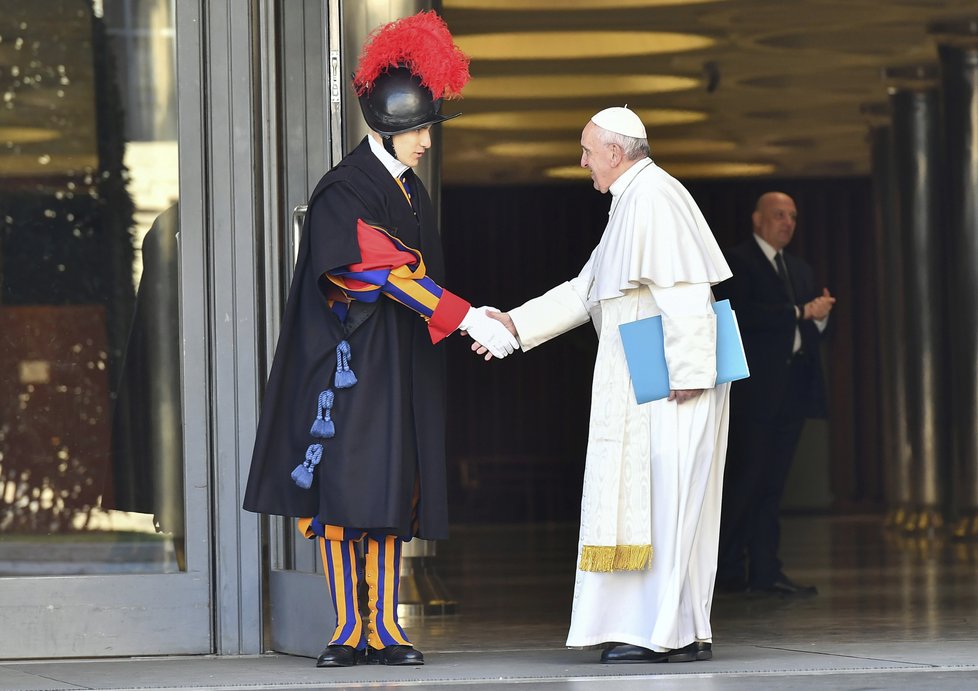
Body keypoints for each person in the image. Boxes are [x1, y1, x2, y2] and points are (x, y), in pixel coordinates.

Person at [242, 11, 517, 669]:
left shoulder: (409, 190)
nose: (427, 141)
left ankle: (386, 627)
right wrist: (467, 314)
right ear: (390, 128)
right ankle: (347, 628)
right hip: (348, 369)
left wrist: (464, 318)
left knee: (395, 492)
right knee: (345, 492)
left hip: (400, 367)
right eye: (420, 129)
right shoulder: (346, 189)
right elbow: (381, 271)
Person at [486, 106, 733, 663]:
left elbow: (689, 292)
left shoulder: (654, 198)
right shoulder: (632, 201)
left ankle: (664, 633)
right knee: (663, 505)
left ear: (616, 154)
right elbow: (586, 290)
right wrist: (515, 325)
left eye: (587, 151)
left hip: (672, 385)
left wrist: (690, 374)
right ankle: (676, 630)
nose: (582, 162)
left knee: (669, 506)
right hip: (651, 381)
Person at [714, 191, 834, 597]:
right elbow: (739, 317)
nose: (787, 222)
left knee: (773, 486)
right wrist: (801, 313)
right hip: (754, 394)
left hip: (792, 391)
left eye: (793, 217)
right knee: (745, 482)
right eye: (779, 215)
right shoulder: (737, 262)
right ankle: (729, 571)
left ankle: (765, 570)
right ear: (758, 220)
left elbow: (812, 329)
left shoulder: (799, 268)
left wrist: (819, 317)